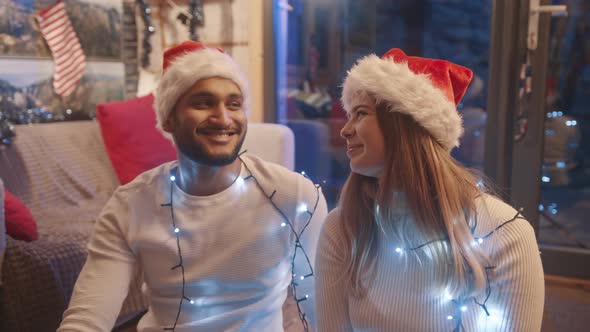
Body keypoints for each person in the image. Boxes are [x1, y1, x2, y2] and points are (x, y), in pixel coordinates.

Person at [58, 41, 327, 332]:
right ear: (170, 118)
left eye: (234, 104)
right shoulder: (132, 204)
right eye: (203, 103)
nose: (223, 118)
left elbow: (313, 308)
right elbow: (88, 317)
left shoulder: (295, 196)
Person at [315, 48, 544, 331]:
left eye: (360, 114)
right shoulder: (343, 228)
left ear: (406, 125)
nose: (345, 130)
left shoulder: (503, 232)